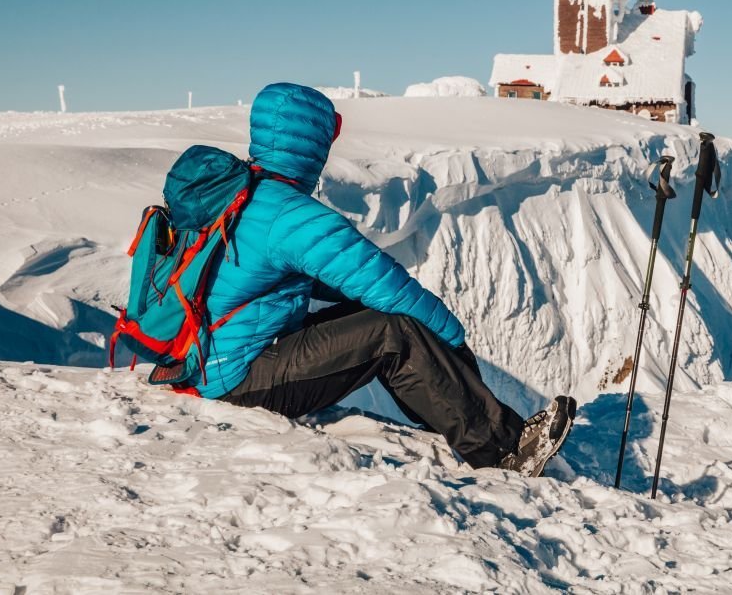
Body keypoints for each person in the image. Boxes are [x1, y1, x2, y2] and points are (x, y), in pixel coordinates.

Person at [181, 82, 572, 475]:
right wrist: (450, 335)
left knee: (374, 316)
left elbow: (271, 276)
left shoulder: (246, 193)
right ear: (312, 140)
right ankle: (501, 450)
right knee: (395, 332)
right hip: (236, 377)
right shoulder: (292, 215)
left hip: (209, 357)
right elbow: (381, 281)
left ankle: (452, 417)